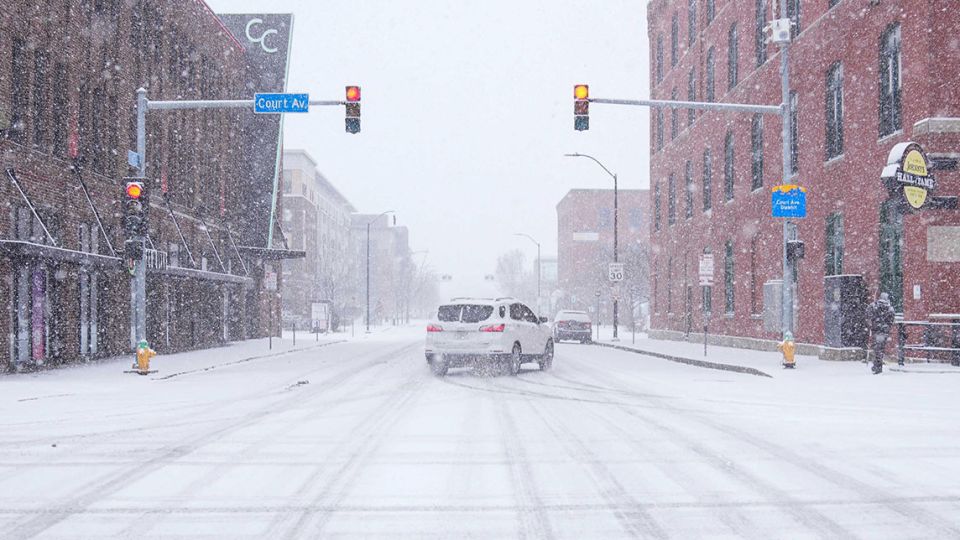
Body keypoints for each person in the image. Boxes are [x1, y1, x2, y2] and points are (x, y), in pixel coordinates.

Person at [866, 292, 896, 374]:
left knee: (876, 349)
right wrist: (887, 326)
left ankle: (877, 366)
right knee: (880, 349)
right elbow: (891, 319)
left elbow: (868, 314)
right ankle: (878, 365)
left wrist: (872, 323)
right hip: (884, 331)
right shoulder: (890, 308)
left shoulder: (874, 306)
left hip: (876, 330)